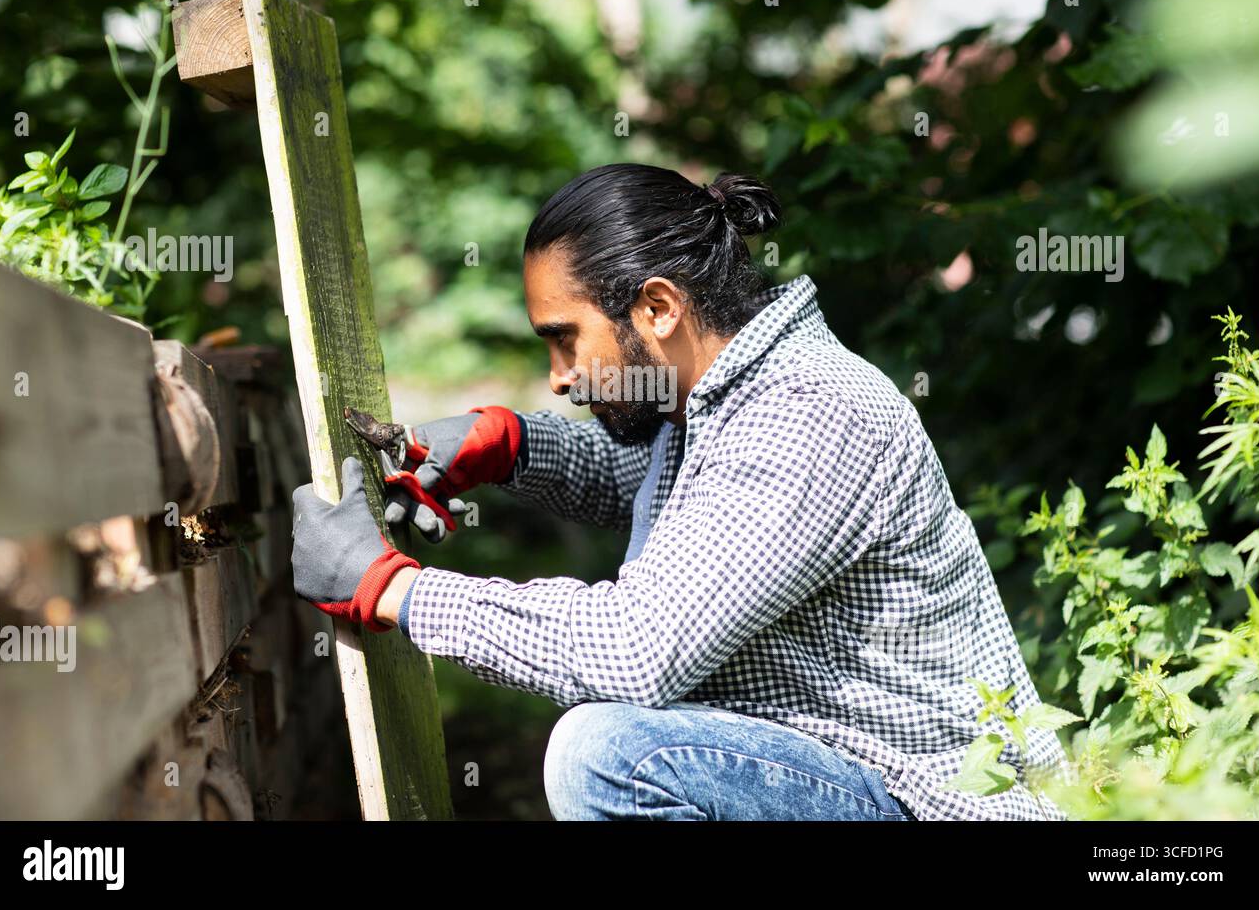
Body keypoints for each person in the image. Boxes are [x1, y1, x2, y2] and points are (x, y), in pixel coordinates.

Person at [290, 163, 1068, 821]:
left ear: (658, 308)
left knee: (610, 756)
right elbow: (650, 487)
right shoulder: (716, 401)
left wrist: (394, 591)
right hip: (851, 774)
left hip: (933, 801)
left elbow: (636, 651)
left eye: (565, 336)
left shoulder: (807, 413)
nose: (560, 376)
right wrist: (510, 446)